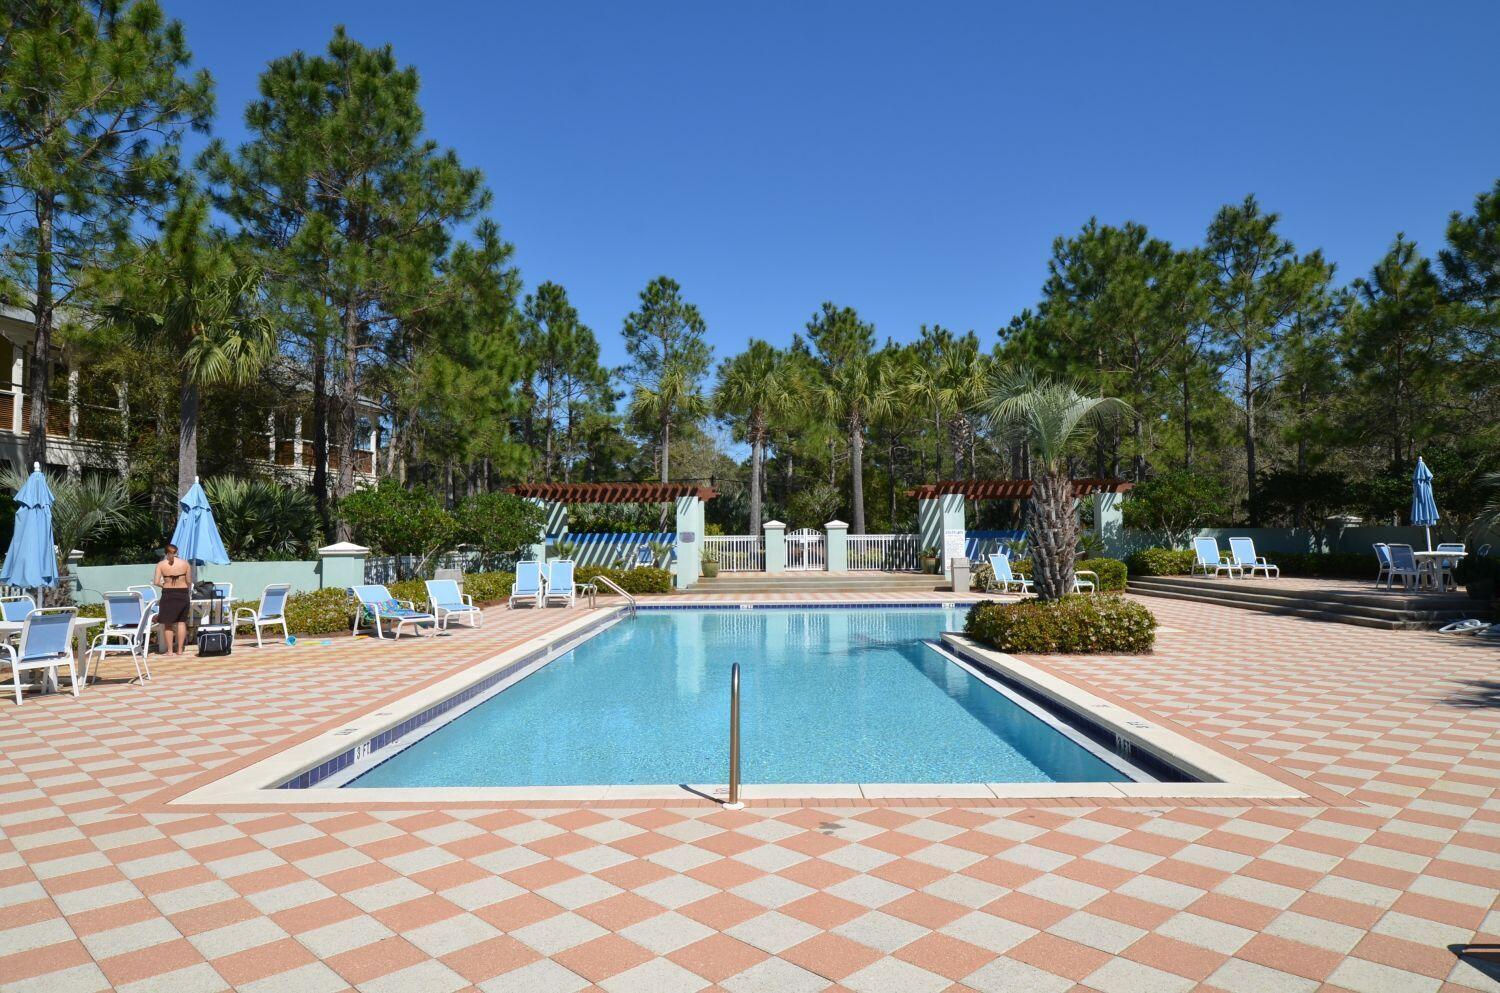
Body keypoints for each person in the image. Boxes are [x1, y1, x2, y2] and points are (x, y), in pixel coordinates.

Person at [153, 543, 193, 656]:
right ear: (177, 552)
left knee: (168, 623)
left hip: (168, 594)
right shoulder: (185, 563)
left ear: (166, 553)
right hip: (182, 593)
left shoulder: (161, 564)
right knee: (181, 622)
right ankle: (180, 650)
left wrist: (165, 585)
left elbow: (156, 582)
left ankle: (170, 651)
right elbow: (189, 581)